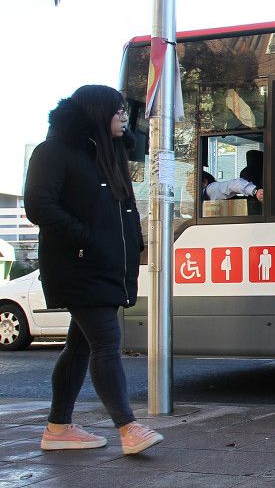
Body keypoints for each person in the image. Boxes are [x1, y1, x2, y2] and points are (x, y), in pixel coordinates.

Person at [23, 85, 164, 455]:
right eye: (117, 111)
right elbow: (38, 205)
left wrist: (131, 243)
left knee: (79, 347)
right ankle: (128, 427)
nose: (123, 117)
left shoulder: (105, 153)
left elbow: (124, 200)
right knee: (105, 343)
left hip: (103, 265)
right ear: (96, 113)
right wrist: (86, 238)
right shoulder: (52, 152)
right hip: (78, 266)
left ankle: (58, 427)